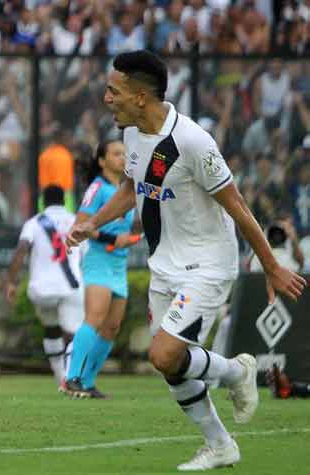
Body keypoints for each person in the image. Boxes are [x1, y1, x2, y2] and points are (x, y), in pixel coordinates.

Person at [67, 50, 306, 471]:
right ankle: (220, 445)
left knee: (163, 354)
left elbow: (238, 207)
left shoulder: (192, 142)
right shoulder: (133, 135)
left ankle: (235, 372)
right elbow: (129, 189)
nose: (106, 98)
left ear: (140, 97)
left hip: (208, 264)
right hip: (164, 266)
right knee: (172, 367)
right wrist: (92, 224)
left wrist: (270, 265)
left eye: (113, 90)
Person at [64, 140, 139, 399]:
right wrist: (109, 239)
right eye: (116, 154)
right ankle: (71, 378)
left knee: (112, 327)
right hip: (99, 261)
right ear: (102, 161)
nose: (123, 158)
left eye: (125, 154)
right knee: (95, 319)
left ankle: (87, 381)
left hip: (119, 264)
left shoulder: (125, 190)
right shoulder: (97, 188)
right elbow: (81, 225)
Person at [5, 185, 84, 390]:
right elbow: (85, 252)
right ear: (64, 200)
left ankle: (60, 379)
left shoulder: (34, 222)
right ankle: (71, 378)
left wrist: (11, 282)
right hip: (70, 286)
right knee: (74, 334)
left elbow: (21, 250)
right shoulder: (76, 220)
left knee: (51, 328)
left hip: (41, 289)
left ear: (43, 202)